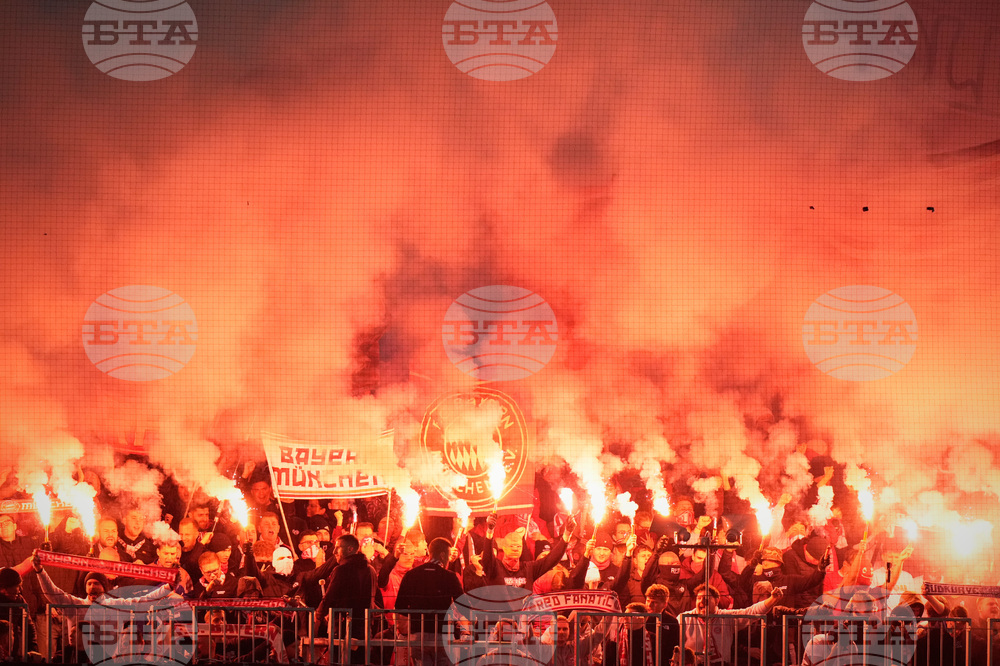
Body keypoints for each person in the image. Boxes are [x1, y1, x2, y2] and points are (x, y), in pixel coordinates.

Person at [394, 537, 464, 666]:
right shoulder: (449, 577)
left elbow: (400, 606)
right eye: (449, 555)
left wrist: (406, 631)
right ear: (443, 555)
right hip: (443, 635)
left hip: (418, 635)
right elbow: (463, 606)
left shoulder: (411, 575)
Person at [678, 583, 784, 665]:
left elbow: (750, 612)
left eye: (706, 598)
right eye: (699, 598)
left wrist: (772, 599)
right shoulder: (684, 618)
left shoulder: (726, 617)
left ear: (716, 601)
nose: (702, 601)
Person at [316, 534, 382, 665]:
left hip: (343, 628)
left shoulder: (341, 569)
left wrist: (318, 615)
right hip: (364, 628)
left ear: (350, 549)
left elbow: (329, 597)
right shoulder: (371, 570)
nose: (334, 552)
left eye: (338, 548)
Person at [481, 513, 577, 590]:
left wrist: (567, 534)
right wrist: (490, 531)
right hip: (502, 614)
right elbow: (487, 557)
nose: (515, 548)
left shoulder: (529, 569)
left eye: (518, 546)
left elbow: (551, 559)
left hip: (524, 614)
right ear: (504, 548)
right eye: (512, 545)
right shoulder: (495, 568)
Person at [0, 568, 38, 659]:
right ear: (4, 587)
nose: (20, 590)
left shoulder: (20, 601)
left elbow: (28, 626)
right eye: (17, 586)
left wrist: (33, 648)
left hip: (12, 651)